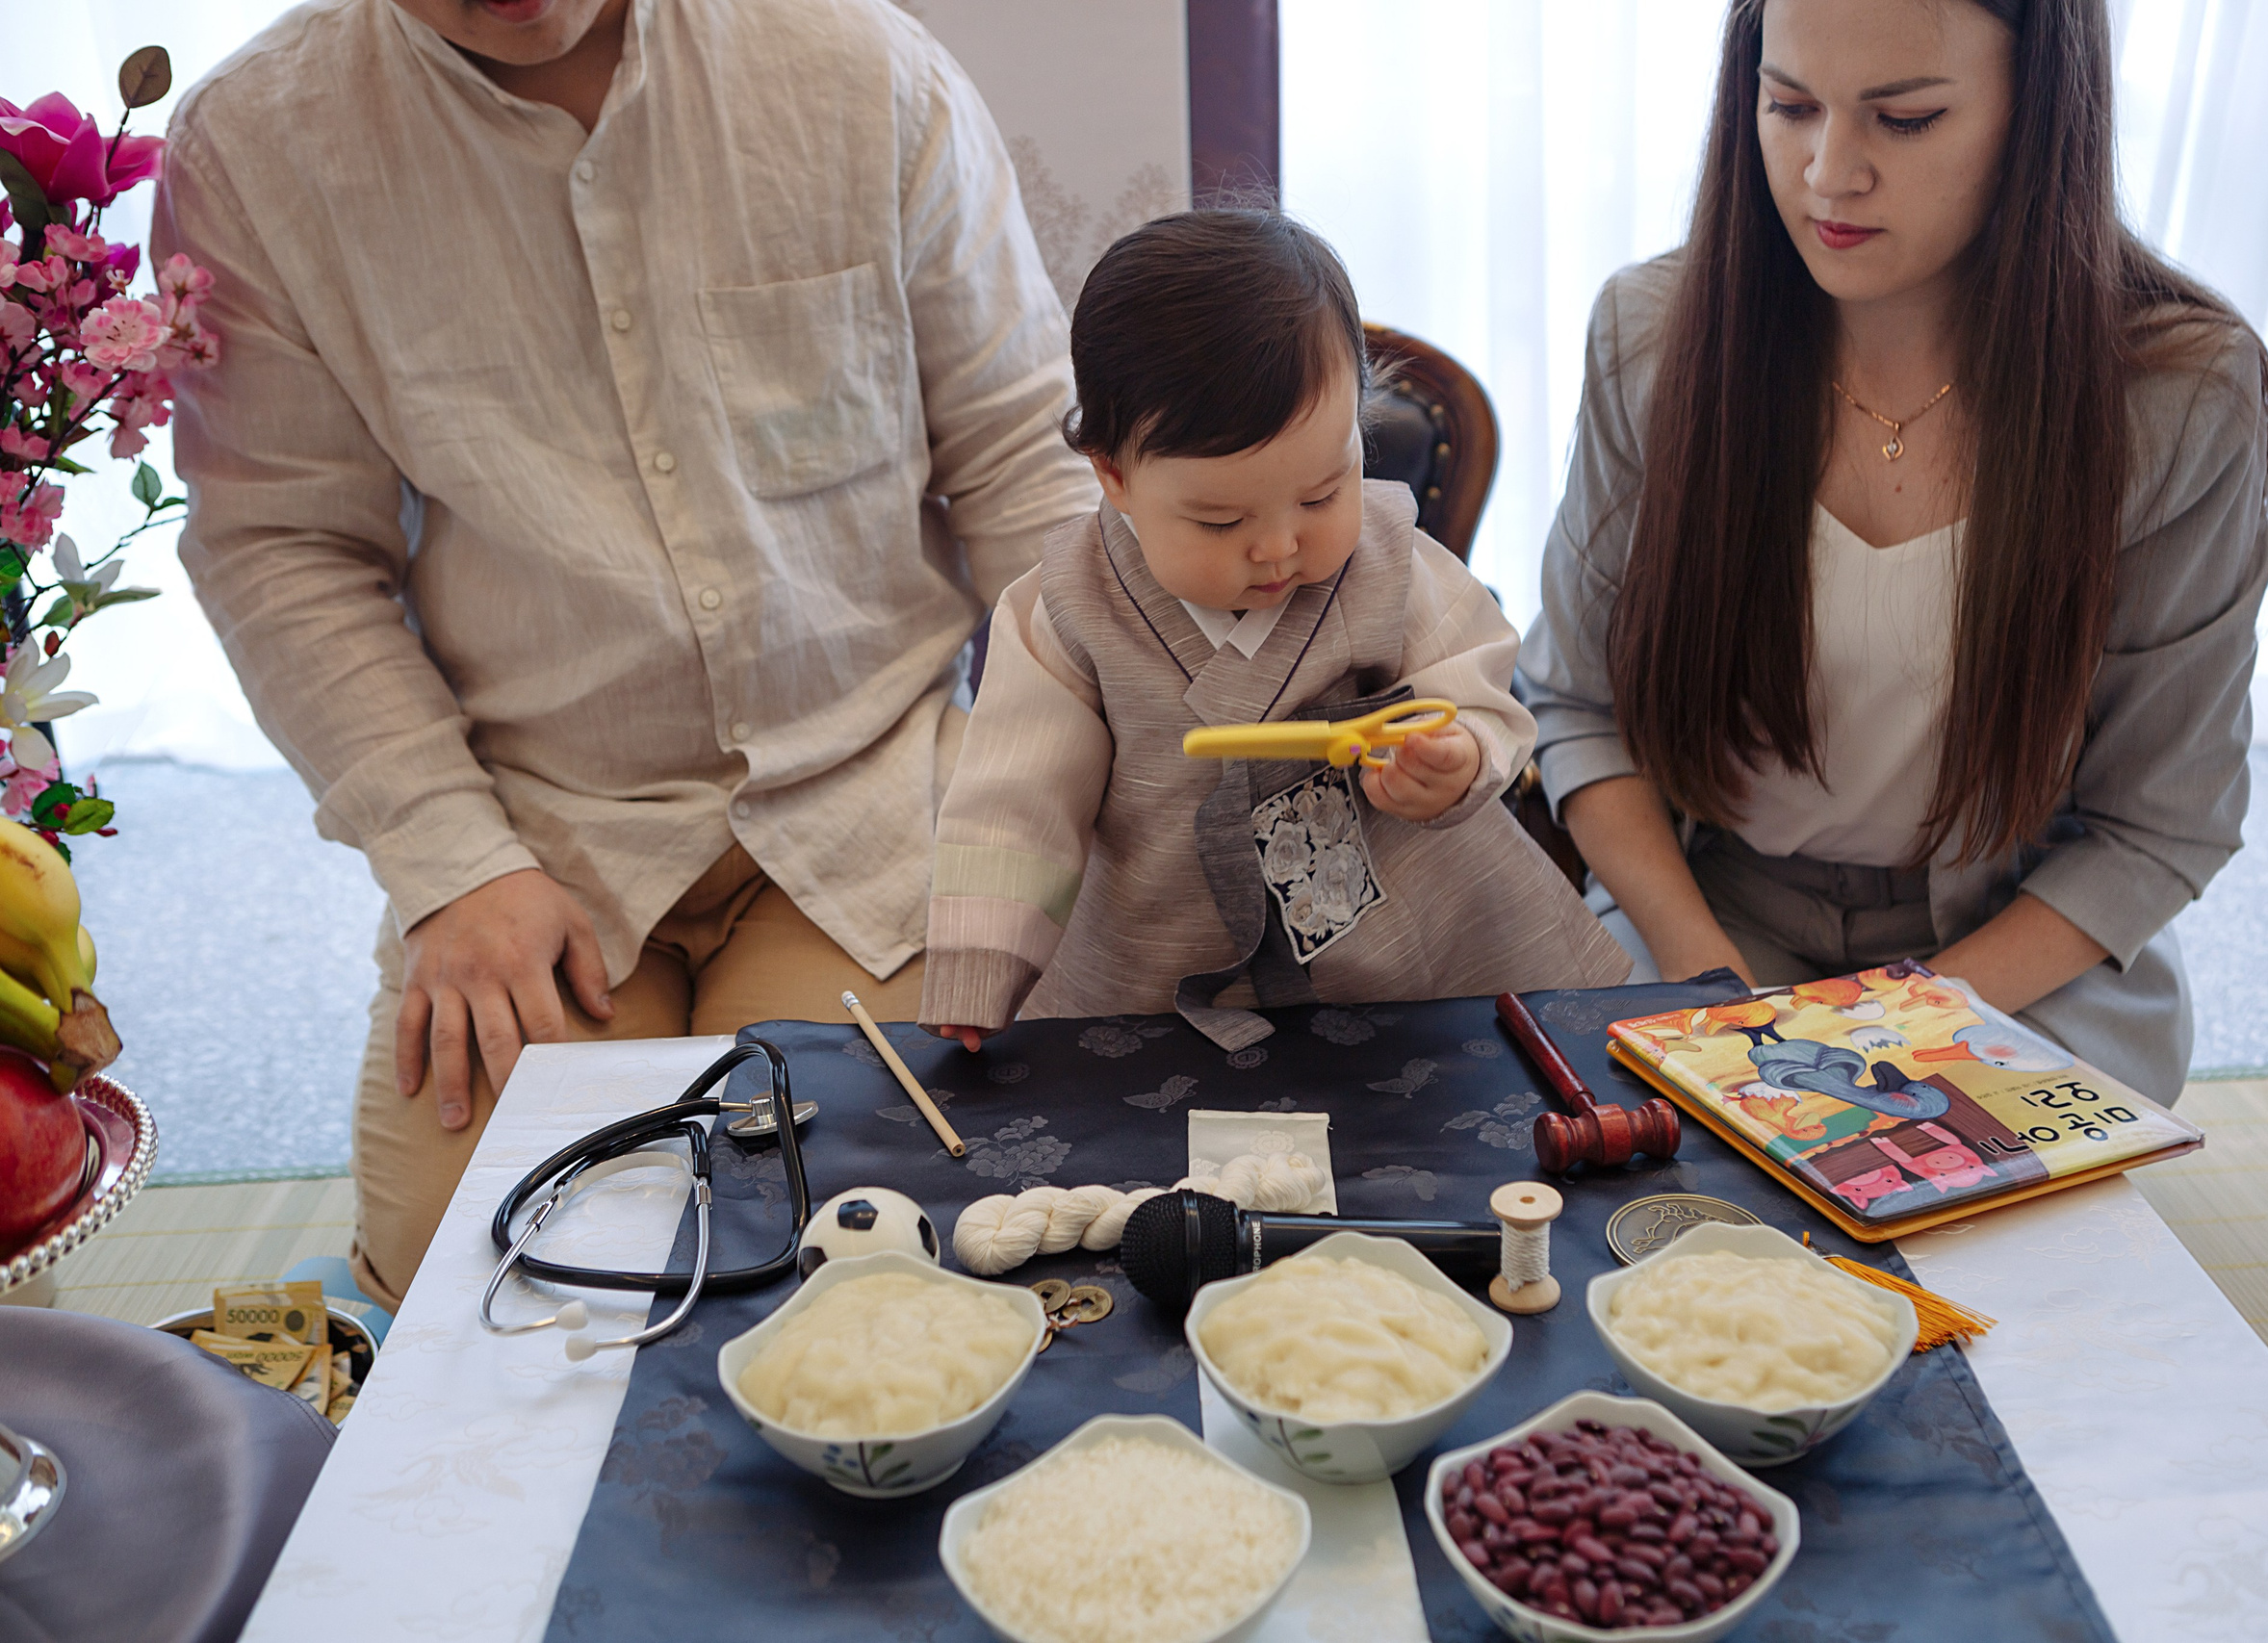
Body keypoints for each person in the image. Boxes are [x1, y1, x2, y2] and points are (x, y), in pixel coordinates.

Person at [154, 0, 1097, 1307]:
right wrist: (451, 864)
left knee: (869, 1234)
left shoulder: (851, 59)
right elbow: (283, 546)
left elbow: (1018, 452)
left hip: (866, 789)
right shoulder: (256, 143)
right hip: (538, 835)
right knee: (469, 1286)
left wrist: (1079, 757)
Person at [1523, 0, 2268, 1104]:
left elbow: (2158, 823)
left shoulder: (2178, 398)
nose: (1828, 173)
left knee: (1988, 1254)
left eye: (1906, 119)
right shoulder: (1652, 336)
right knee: (1655, 1213)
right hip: (1709, 916)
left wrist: (1886, 1030)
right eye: (1787, 106)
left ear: (2040, 114)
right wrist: (1715, 987)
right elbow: (1580, 711)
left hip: (2014, 956)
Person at [919, 212, 1632, 1051]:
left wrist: (1460, 752)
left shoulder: (1386, 559)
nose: (1280, 545)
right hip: (1162, 974)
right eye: (1220, 521)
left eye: (1322, 493)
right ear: (1113, 475)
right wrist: (979, 966)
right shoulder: (1072, 606)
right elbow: (1014, 801)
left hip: (1417, 965)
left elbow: (1471, 672)